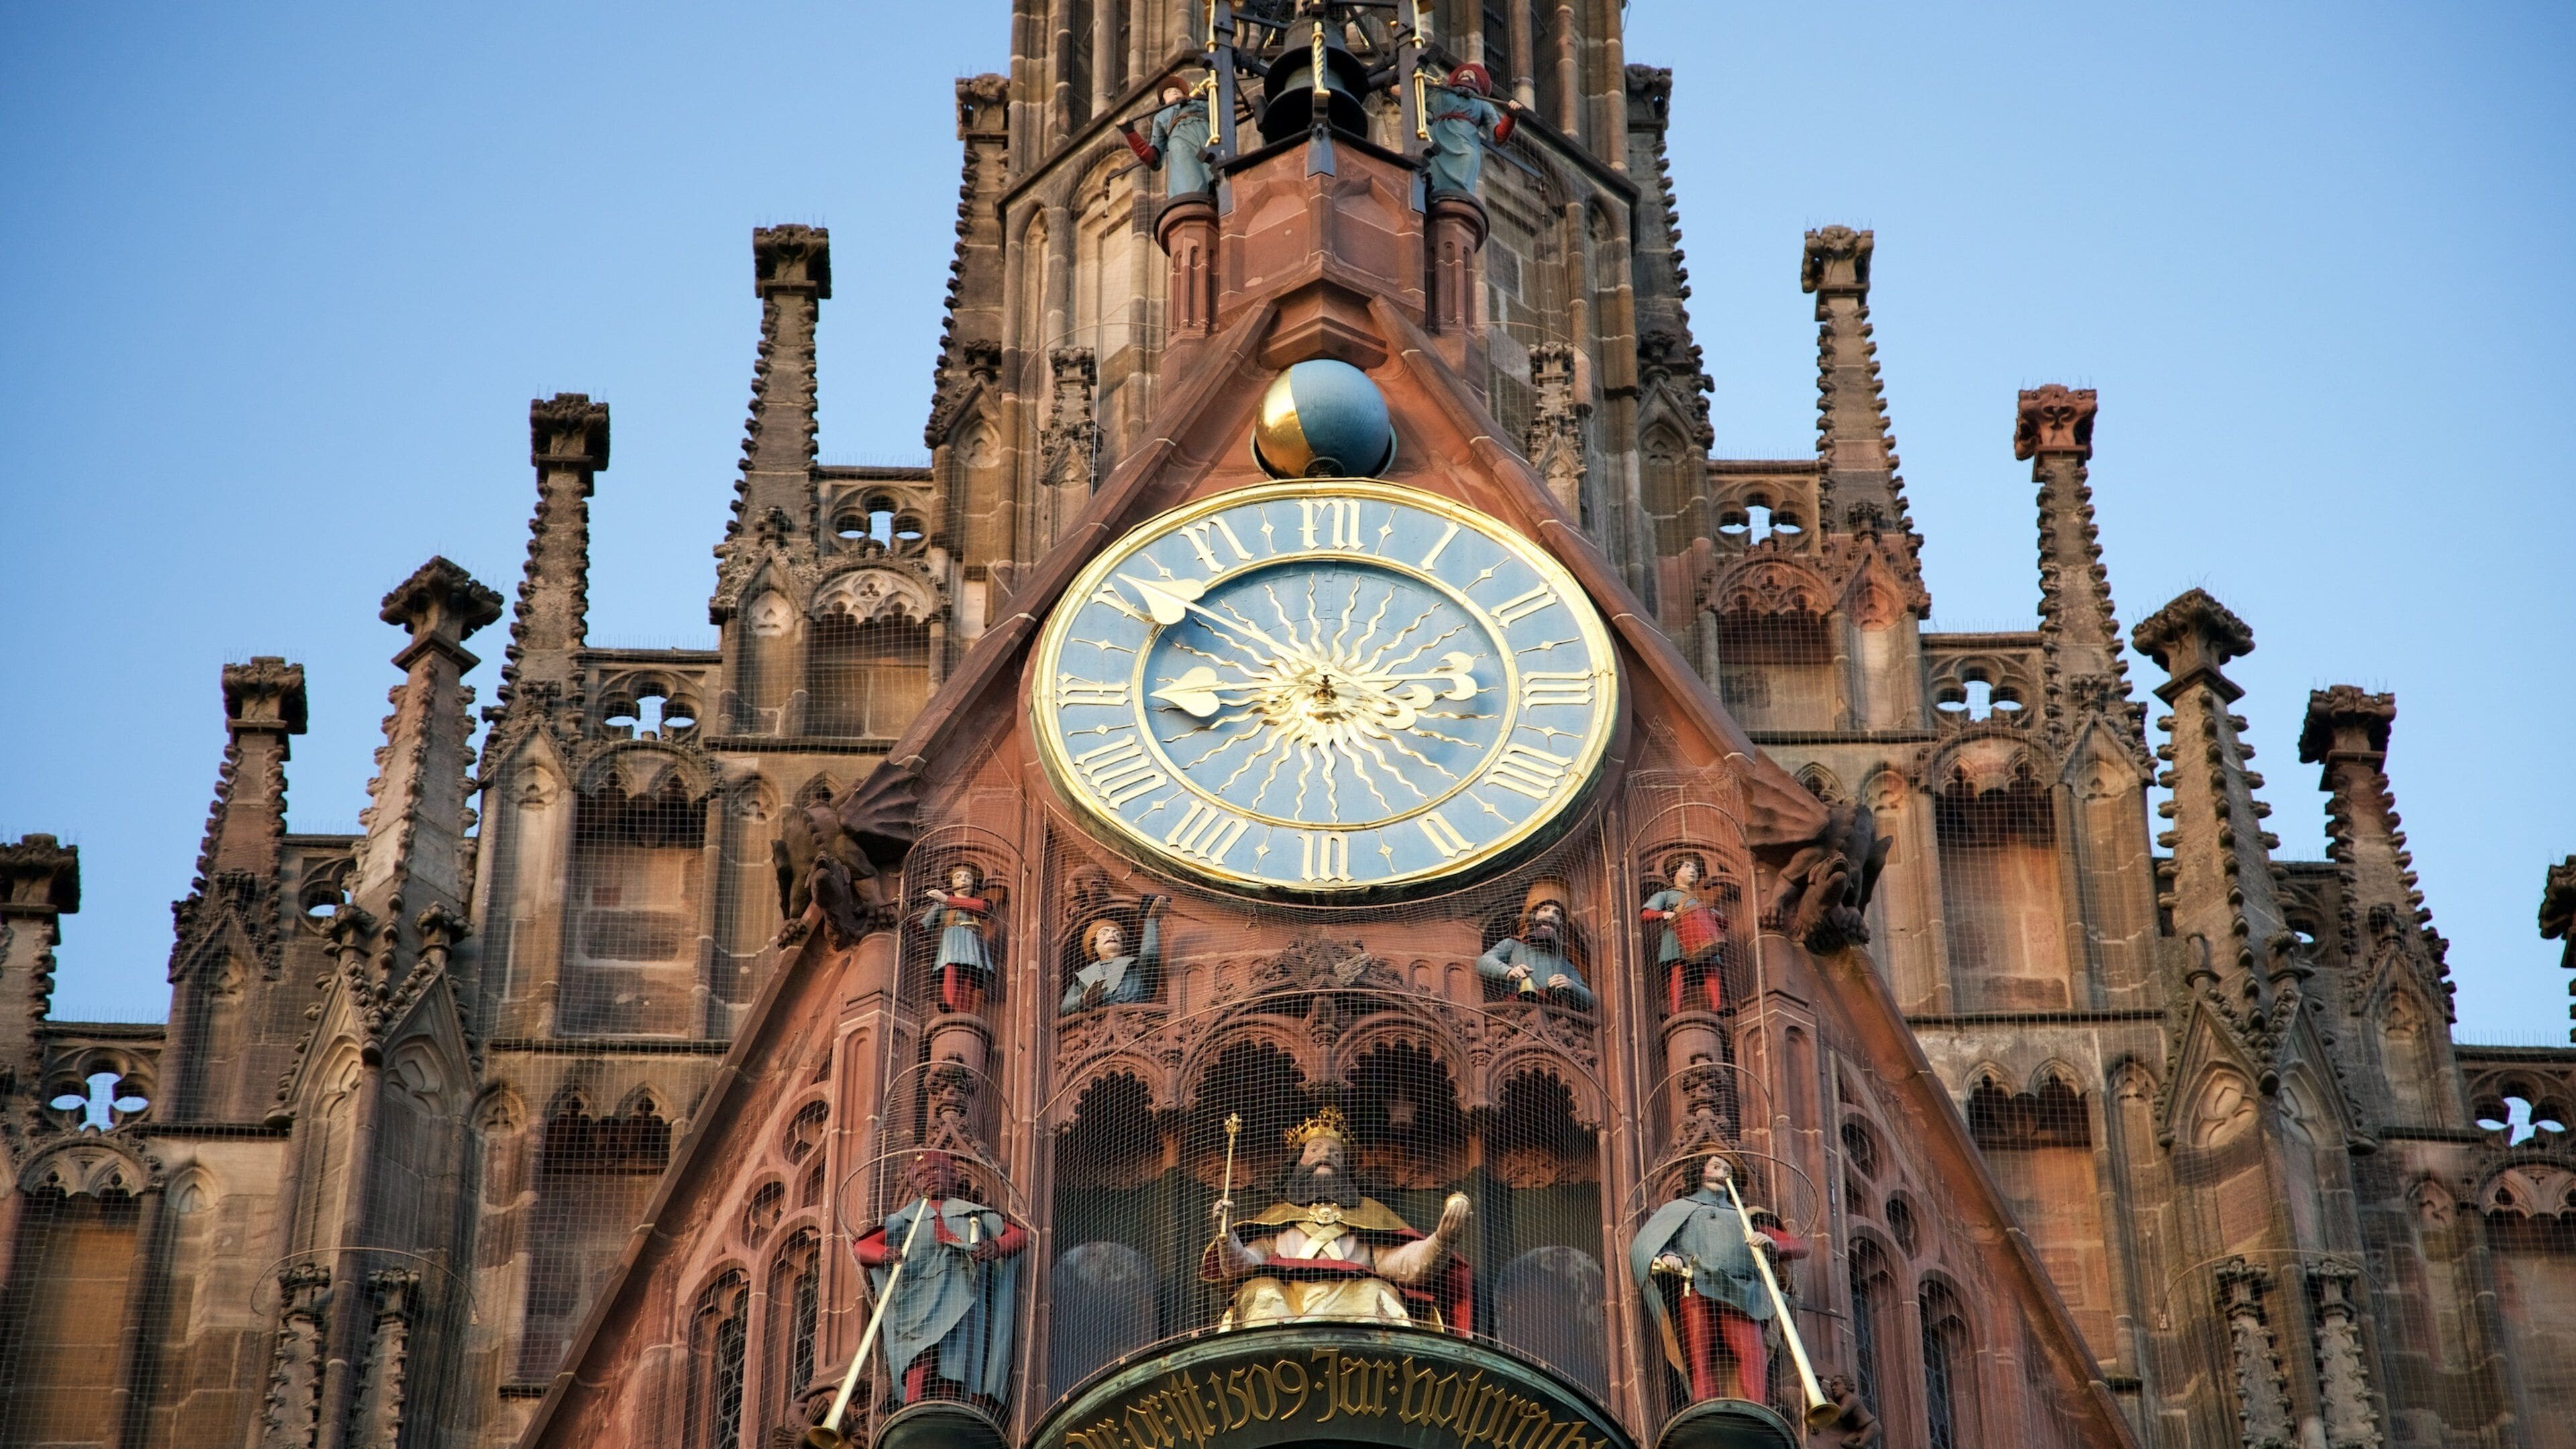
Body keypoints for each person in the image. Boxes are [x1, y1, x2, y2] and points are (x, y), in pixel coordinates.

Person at [1202, 1107, 1470, 1328]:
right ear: (1298, 1162)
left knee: (1378, 1291)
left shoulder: (1370, 1213)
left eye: (1336, 1154)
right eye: (1315, 1150)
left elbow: (1401, 1265)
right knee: (1260, 1290)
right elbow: (1244, 1266)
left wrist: (1442, 1240)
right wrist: (1227, 1237)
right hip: (1289, 1297)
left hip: (1354, 1298)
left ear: (1345, 1168)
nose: (1326, 1156)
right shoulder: (1277, 1216)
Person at [849, 1151, 1028, 1409]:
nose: (928, 1178)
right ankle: (916, 1401)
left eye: (935, 1170)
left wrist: (996, 1247)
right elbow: (861, 1248)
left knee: (959, 1344)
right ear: (914, 1186)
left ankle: (958, 1397)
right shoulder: (904, 1220)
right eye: (920, 1176)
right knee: (919, 1350)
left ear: (954, 1176)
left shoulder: (974, 1214)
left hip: (962, 1289)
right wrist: (885, 1253)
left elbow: (1020, 1236)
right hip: (916, 1296)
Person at [1630, 1155, 1809, 1404]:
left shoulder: (1747, 1217)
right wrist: (1668, 1256)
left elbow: (1800, 1246)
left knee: (1753, 1353)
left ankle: (1756, 1407)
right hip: (1697, 1285)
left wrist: (1772, 1243)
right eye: (1716, 1167)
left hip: (1743, 1291)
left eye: (1728, 1171)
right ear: (1700, 1172)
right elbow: (1649, 1245)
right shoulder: (1680, 1208)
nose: (1723, 1174)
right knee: (1698, 1353)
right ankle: (1704, 1403)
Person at [1476, 879, 1595, 1009]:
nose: (1551, 916)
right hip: (1516, 1007)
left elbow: (1589, 1000)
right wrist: (1509, 971)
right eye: (1545, 910)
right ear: (1534, 916)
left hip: (1553, 1011)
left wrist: (1571, 985)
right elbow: (1483, 962)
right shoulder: (1513, 944)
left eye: (1557, 913)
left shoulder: (1563, 962)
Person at [1640, 852, 1729, 1014]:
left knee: (1712, 966)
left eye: (1696, 868)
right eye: (1687, 866)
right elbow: (1646, 915)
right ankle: (1675, 1011)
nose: (1693, 871)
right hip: (1677, 934)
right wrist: (1665, 914)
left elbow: (1723, 922)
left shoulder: (1700, 901)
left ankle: (1718, 1006)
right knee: (1678, 969)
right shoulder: (1665, 895)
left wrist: (1714, 916)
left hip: (1703, 935)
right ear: (1675, 871)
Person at [1424, 62, 1521, 197]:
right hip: (1439, 141)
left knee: (1464, 168)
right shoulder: (1441, 94)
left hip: (1466, 144)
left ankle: (1457, 199)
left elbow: (1497, 137)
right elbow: (1412, 93)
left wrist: (1511, 116)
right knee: (1432, 177)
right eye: (1463, 73)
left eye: (1470, 74)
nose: (1466, 74)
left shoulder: (1483, 103)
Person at [1059, 896, 1165, 1013]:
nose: (1112, 935)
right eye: (1104, 934)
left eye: (1117, 934)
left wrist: (1151, 922)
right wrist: (1084, 999)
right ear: (1094, 945)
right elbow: (1064, 1008)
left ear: (1123, 945)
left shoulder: (1136, 966)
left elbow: (1149, 955)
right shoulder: (1084, 976)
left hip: (1136, 1015)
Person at [919, 863, 996, 1014]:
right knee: (951, 969)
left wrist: (946, 899)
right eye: (958, 877)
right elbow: (923, 929)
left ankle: (963, 1010)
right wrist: (906, 917)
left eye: (968, 878)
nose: (963, 880)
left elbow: (983, 909)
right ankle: (951, 1003)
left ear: (974, 883)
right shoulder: (941, 905)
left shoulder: (979, 902)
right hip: (952, 939)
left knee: (969, 975)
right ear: (952, 883)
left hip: (972, 939)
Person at [1122, 75, 1216, 199]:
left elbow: (1220, 109)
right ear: (1163, 101)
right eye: (1169, 92)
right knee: (1192, 182)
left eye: (1178, 90)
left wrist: (1212, 93)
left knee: (1217, 172)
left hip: (1206, 136)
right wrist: (1130, 133)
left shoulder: (1199, 103)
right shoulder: (1162, 115)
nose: (1174, 92)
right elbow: (1155, 158)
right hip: (1181, 144)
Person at [1815, 1375, 1883, 1447]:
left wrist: (1828, 1398)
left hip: (1871, 1426)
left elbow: (1840, 1414)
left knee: (1860, 1446)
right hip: (1859, 1430)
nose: (1833, 1388)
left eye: (1836, 1384)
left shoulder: (1852, 1399)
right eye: (1832, 1386)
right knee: (1845, 1443)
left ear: (1846, 1385)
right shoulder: (1842, 1401)